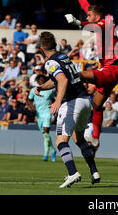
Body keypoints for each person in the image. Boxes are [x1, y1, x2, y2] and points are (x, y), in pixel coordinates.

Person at [34, 32, 100, 188]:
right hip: (84, 101)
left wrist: (57, 101)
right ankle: (94, 171)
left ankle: (73, 173)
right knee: (79, 138)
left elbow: (62, 80)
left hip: (71, 102)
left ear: (42, 48)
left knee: (60, 141)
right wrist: (42, 87)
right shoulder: (64, 57)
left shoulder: (50, 62)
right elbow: (58, 80)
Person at [65, 0, 118, 150]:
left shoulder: (106, 23)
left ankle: (68, 102)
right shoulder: (99, 20)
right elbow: (86, 6)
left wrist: (77, 23)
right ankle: (96, 139)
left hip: (110, 70)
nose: (87, 16)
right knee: (96, 106)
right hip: (108, 71)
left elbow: (94, 25)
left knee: (78, 75)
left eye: (89, 15)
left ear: (96, 16)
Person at [28, 74, 57, 162]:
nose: (41, 81)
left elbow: (54, 100)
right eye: (39, 80)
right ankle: (53, 150)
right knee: (45, 135)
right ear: (37, 81)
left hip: (47, 114)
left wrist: (53, 111)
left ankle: (45, 154)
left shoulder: (50, 90)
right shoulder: (33, 90)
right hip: (39, 115)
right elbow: (29, 100)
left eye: (43, 80)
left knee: (46, 133)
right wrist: (31, 107)